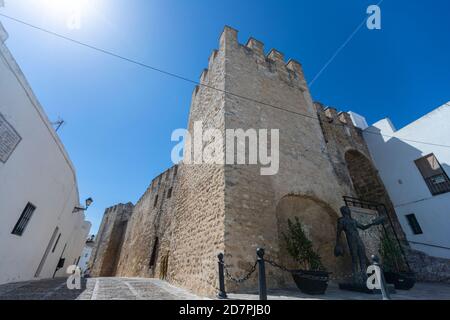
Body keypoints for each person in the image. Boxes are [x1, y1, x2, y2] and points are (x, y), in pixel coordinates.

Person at [334, 206, 385, 283]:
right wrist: (337, 243)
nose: (347, 210)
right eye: (345, 209)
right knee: (355, 257)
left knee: (362, 257)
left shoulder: (353, 220)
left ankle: (364, 275)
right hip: (351, 240)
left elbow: (363, 227)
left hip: (358, 239)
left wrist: (372, 223)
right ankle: (356, 276)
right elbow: (338, 232)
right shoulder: (342, 220)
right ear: (343, 211)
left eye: (347, 209)